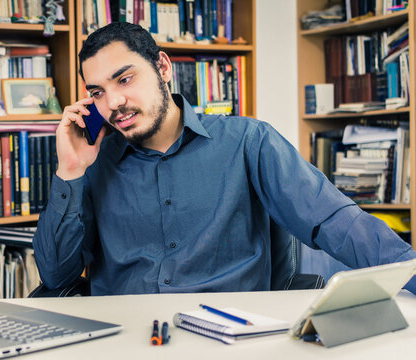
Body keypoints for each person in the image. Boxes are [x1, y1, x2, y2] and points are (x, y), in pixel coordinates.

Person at [33, 22, 416, 295]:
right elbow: (55, 277)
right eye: (97, 91)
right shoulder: (91, 162)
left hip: (231, 338)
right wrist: (69, 171)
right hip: (123, 343)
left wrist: (410, 276)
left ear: (163, 68)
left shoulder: (249, 141)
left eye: (125, 79)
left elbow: (334, 221)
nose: (113, 102)